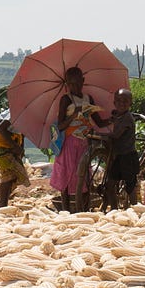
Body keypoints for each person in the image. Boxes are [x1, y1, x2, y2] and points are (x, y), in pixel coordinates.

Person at [49, 67, 100, 212]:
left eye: (78, 83)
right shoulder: (65, 99)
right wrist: (73, 115)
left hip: (84, 141)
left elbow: (98, 121)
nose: (75, 87)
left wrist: (114, 119)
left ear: (83, 81)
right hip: (69, 141)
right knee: (66, 173)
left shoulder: (88, 99)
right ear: (66, 84)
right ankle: (65, 208)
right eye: (71, 84)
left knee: (84, 175)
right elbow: (61, 126)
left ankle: (84, 208)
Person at [99, 89, 141, 209]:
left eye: (125, 101)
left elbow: (116, 135)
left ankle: (135, 209)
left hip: (127, 156)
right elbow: (106, 122)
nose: (121, 104)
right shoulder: (118, 115)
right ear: (114, 102)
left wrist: (100, 134)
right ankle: (114, 208)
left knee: (130, 185)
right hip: (118, 156)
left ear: (130, 103)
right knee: (110, 184)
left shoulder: (127, 118)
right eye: (119, 101)